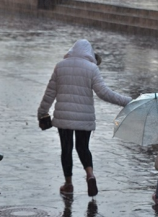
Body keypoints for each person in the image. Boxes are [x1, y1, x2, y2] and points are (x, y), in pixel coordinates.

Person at [37, 39, 132, 197]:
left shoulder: (60, 66)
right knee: (83, 147)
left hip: (64, 116)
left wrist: (42, 112)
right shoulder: (92, 68)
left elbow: (49, 93)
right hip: (84, 117)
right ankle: (90, 175)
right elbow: (104, 93)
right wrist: (126, 101)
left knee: (66, 149)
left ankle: (68, 184)